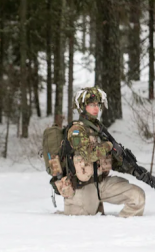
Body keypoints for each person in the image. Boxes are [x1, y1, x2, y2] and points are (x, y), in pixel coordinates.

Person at [55, 87, 146, 217]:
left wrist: (133, 169)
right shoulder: (76, 130)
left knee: (137, 196)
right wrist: (109, 145)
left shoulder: (98, 130)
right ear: (83, 107)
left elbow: (110, 159)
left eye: (97, 105)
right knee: (82, 230)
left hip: (101, 184)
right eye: (92, 105)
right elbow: (89, 155)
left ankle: (125, 232)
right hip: (81, 189)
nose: (96, 108)